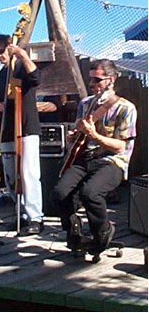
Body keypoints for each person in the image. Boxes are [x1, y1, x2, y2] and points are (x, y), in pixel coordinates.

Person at [53, 59, 137, 253]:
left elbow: (119, 147)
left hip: (112, 161)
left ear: (111, 80)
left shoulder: (126, 108)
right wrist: (72, 138)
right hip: (86, 159)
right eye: (91, 80)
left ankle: (102, 231)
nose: (92, 85)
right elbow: (79, 139)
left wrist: (94, 135)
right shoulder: (85, 105)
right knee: (59, 193)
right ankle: (74, 232)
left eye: (97, 80)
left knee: (90, 193)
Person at [0, 34, 44, 235]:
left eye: (2, 50)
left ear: (9, 48)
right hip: (7, 129)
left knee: (29, 173)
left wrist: (21, 54)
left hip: (26, 127)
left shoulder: (21, 68)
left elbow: (36, 78)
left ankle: (36, 217)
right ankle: (20, 214)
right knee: (11, 175)